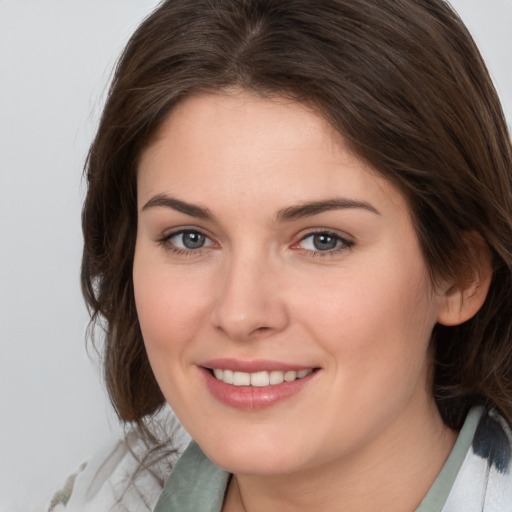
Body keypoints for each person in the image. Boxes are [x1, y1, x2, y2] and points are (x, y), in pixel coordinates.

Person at [48, 0, 512, 510]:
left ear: (459, 275)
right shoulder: (97, 495)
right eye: (190, 238)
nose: (241, 313)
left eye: (322, 240)